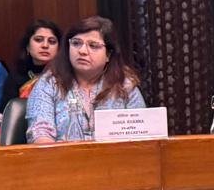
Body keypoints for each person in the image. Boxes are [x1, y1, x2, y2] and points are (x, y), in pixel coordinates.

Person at [26, 16, 146, 144]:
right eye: (76, 43)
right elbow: (40, 132)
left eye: (93, 45)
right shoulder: (49, 83)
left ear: (108, 55)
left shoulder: (124, 85)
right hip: (62, 156)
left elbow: (142, 135)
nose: (82, 51)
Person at [8, 19, 61, 101]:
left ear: (59, 48)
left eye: (52, 41)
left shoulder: (65, 76)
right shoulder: (15, 76)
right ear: (27, 46)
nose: (45, 45)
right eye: (38, 40)